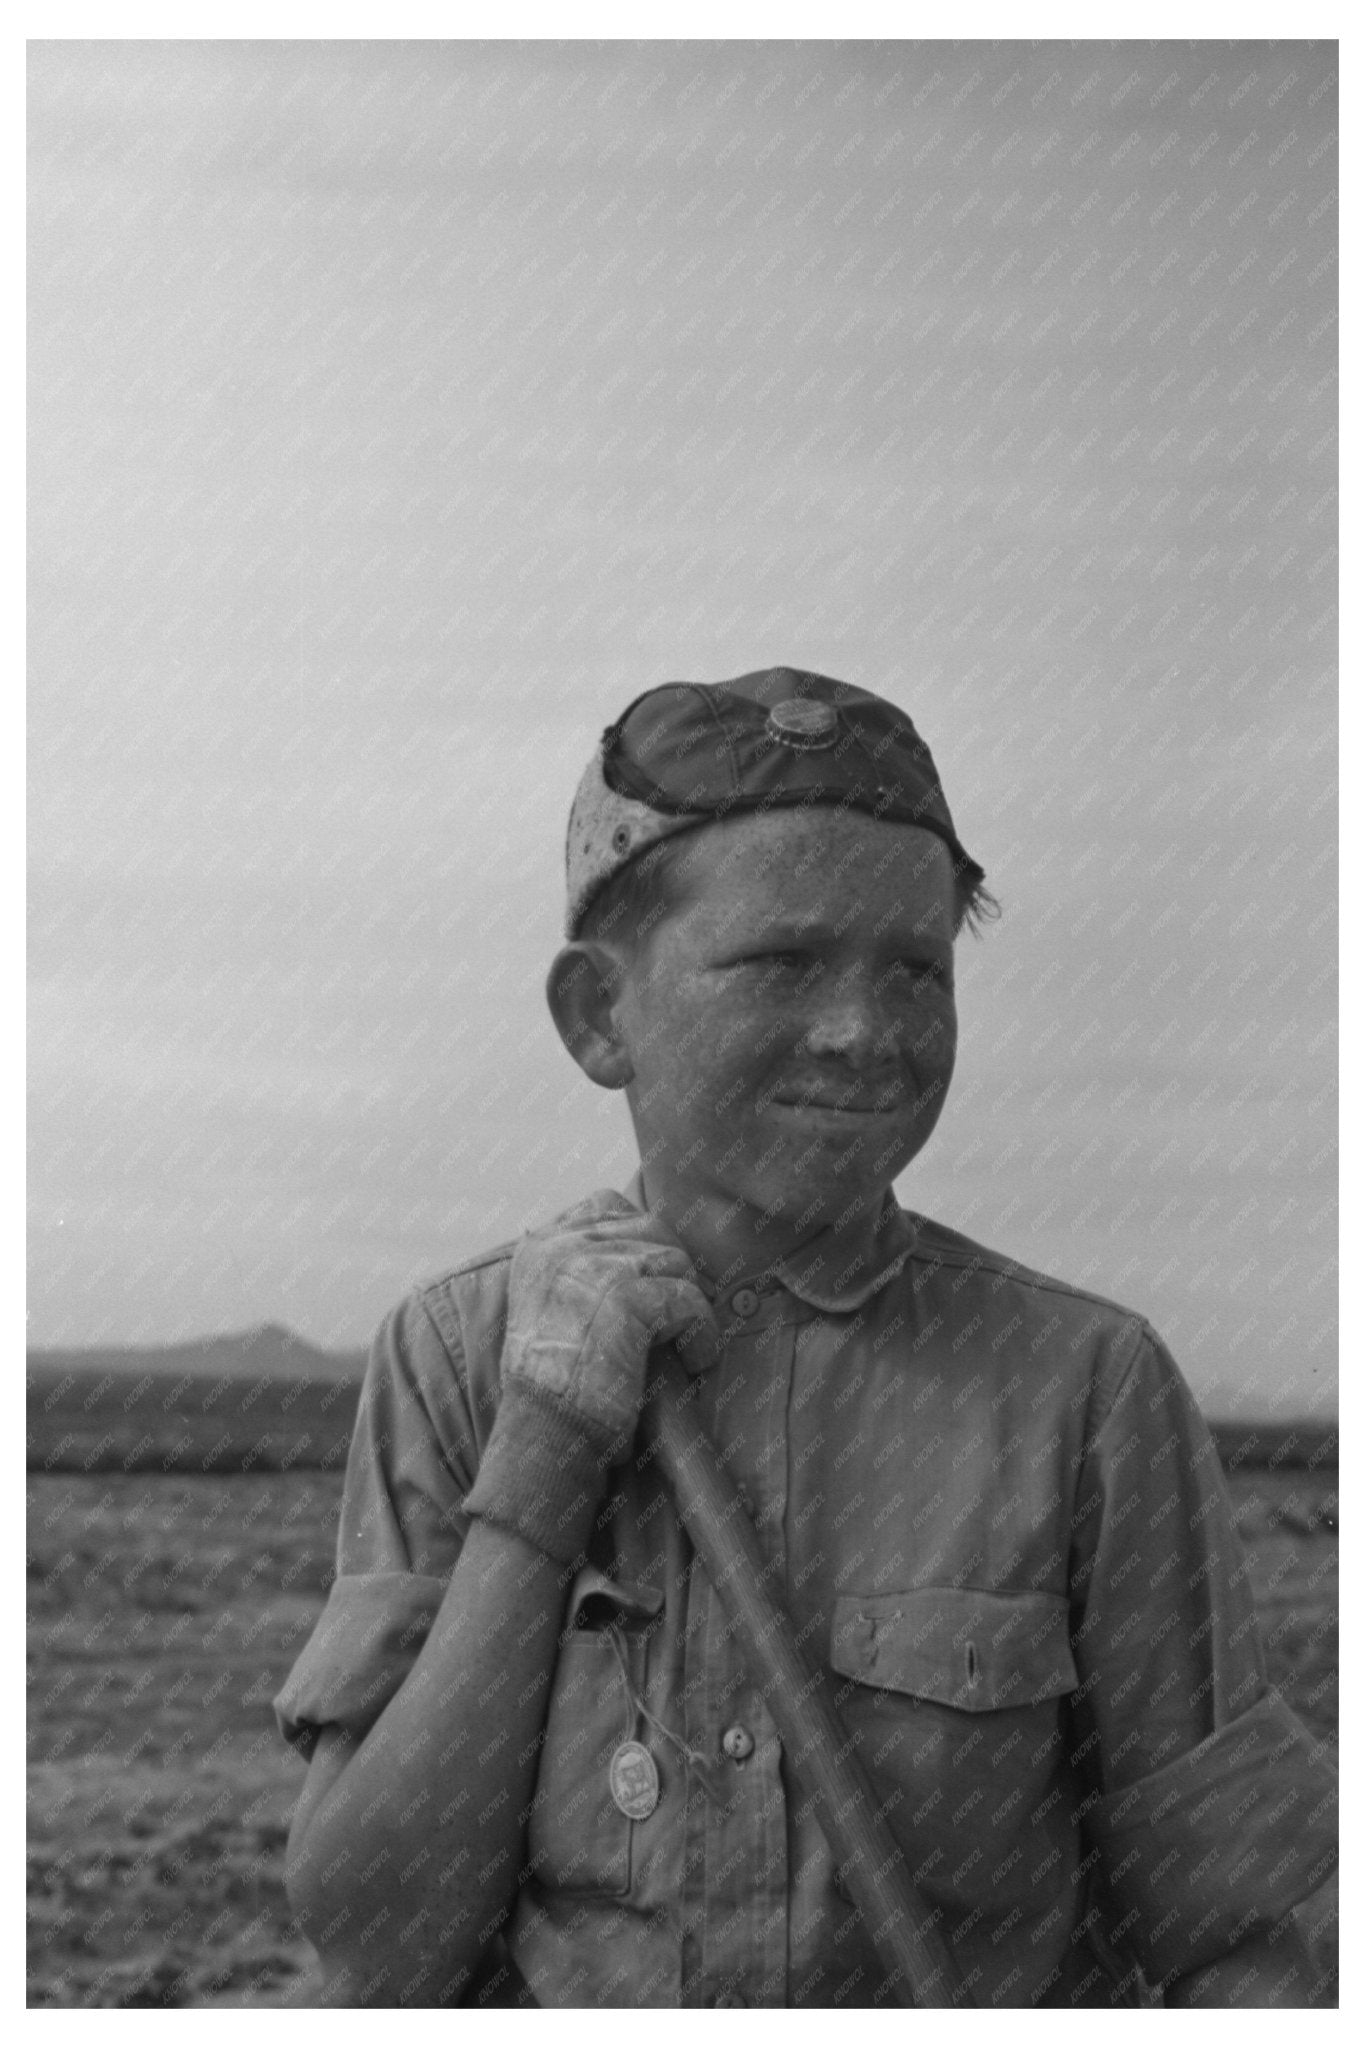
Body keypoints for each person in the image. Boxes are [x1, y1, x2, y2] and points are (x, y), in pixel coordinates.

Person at [275, 668, 1337, 2008]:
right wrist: (544, 1450)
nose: (863, 1033)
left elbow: (1232, 1936)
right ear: (599, 1016)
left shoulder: (1082, 1387)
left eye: (913, 970)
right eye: (781, 962)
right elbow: (378, 1947)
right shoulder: (454, 1355)